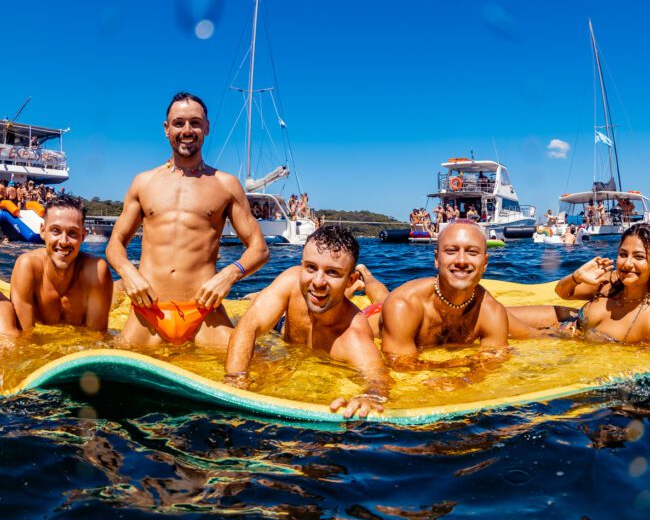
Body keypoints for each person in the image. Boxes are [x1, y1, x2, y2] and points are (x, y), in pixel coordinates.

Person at [106, 92, 269, 348]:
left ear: (206, 127)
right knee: (112, 377)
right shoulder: (144, 182)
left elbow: (259, 249)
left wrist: (229, 274)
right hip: (148, 312)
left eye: (195, 122)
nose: (187, 130)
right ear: (166, 128)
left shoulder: (226, 185)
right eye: (179, 123)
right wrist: (128, 273)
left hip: (204, 313)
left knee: (253, 371)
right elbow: (115, 242)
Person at [225, 226, 390, 418]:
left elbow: (378, 379)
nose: (318, 280)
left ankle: (366, 277)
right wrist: (235, 380)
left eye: (332, 272)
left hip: (346, 312)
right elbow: (248, 325)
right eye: (311, 267)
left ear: (349, 279)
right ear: (302, 265)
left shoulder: (352, 336)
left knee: (384, 305)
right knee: (252, 306)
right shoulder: (291, 279)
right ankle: (258, 296)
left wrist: (371, 396)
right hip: (283, 323)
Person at [381, 221, 509, 386]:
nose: (461, 260)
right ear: (436, 259)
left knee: (531, 331)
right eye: (451, 251)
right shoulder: (403, 304)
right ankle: (366, 276)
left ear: (485, 263)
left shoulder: (492, 311)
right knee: (380, 296)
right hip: (379, 310)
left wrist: (466, 380)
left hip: (475, 306)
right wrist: (456, 365)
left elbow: (493, 362)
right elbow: (399, 365)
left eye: (472, 252)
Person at [507, 224, 650, 343]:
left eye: (639, 257)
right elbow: (562, 292)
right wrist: (577, 276)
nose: (627, 263)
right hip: (563, 321)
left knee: (493, 322)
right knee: (496, 313)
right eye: (623, 254)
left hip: (564, 342)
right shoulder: (609, 281)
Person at [10, 195, 113, 331]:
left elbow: (97, 337)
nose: (63, 241)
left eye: (72, 233)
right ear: (42, 231)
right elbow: (25, 337)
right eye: (55, 231)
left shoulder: (96, 272)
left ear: (83, 236)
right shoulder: (28, 266)